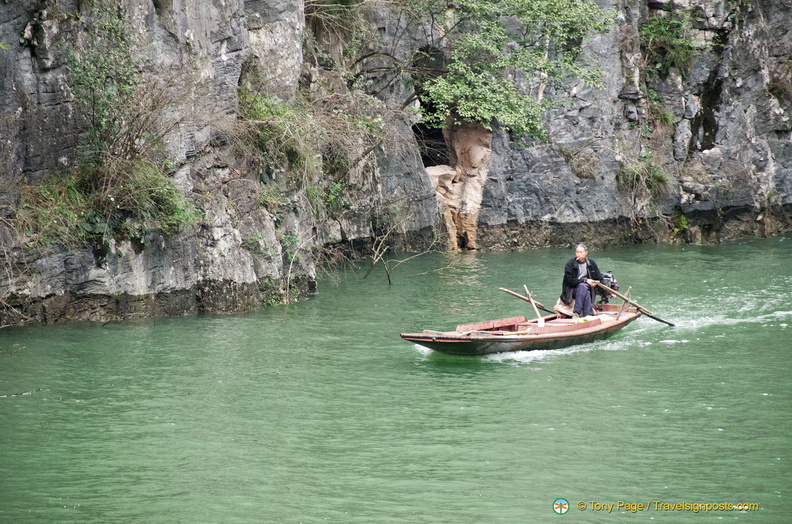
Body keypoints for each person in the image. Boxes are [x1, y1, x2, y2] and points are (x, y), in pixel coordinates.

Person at [560, 243, 602, 318]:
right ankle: (578, 312)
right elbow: (570, 281)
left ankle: (587, 314)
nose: (578, 254)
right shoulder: (570, 264)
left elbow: (599, 279)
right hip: (572, 290)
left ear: (586, 253)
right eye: (577, 252)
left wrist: (608, 293)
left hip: (587, 289)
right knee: (582, 286)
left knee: (585, 288)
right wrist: (585, 281)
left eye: (581, 252)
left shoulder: (591, 264)